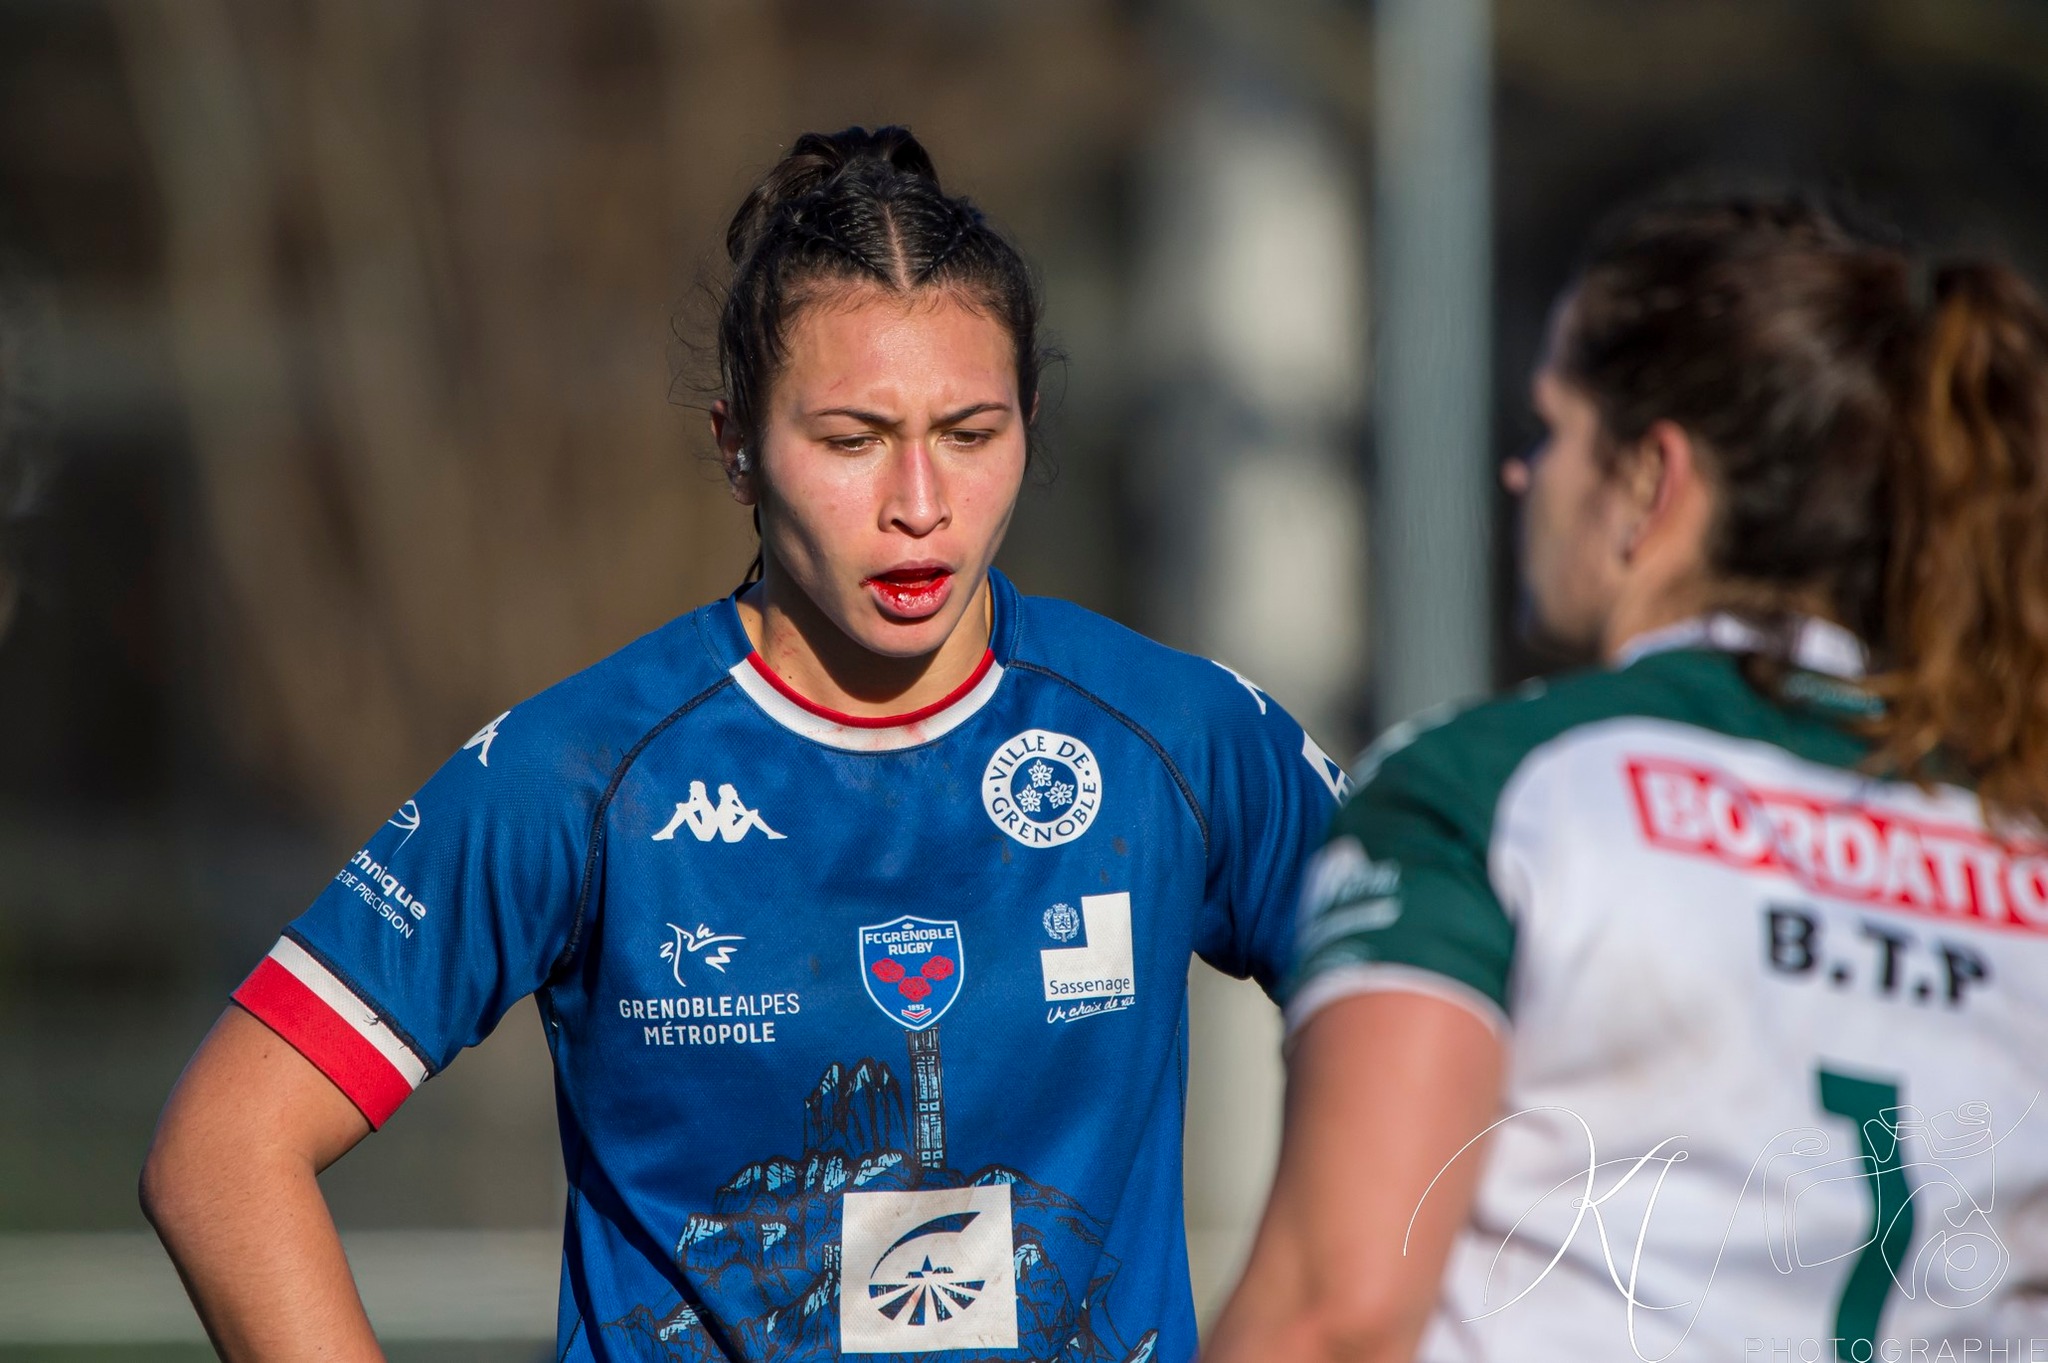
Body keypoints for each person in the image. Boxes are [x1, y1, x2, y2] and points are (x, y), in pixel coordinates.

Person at [140, 126, 1346, 1363]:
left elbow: (1453, 1038)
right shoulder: (583, 775)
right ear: (736, 447)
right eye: (851, 440)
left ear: (1029, 423)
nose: (919, 504)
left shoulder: (1179, 738)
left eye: (970, 433)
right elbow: (225, 1150)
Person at [1207, 193, 2048, 1363]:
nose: (1520, 473)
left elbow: (1331, 1320)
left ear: (1653, 479)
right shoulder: (2015, 827)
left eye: (1550, 429)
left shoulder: (1495, 787)